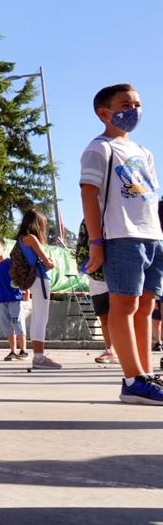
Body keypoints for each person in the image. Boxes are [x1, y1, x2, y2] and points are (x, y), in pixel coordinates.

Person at [80, 83, 163, 403]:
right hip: (120, 235)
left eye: (138, 103)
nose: (134, 110)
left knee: (146, 305)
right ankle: (132, 378)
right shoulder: (100, 148)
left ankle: (145, 374)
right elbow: (89, 194)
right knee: (124, 304)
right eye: (126, 104)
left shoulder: (144, 152)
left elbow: (151, 198)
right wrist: (96, 241)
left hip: (152, 236)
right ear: (105, 112)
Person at [16, 209, 62, 370]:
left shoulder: (21, 239)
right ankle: (39, 357)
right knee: (41, 318)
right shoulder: (32, 238)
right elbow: (47, 262)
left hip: (31, 280)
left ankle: (38, 356)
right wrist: (52, 262)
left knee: (37, 318)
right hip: (40, 279)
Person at [88, 277, 117, 365]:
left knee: (117, 319)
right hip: (96, 288)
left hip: (114, 285)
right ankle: (109, 351)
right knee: (104, 319)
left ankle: (119, 351)